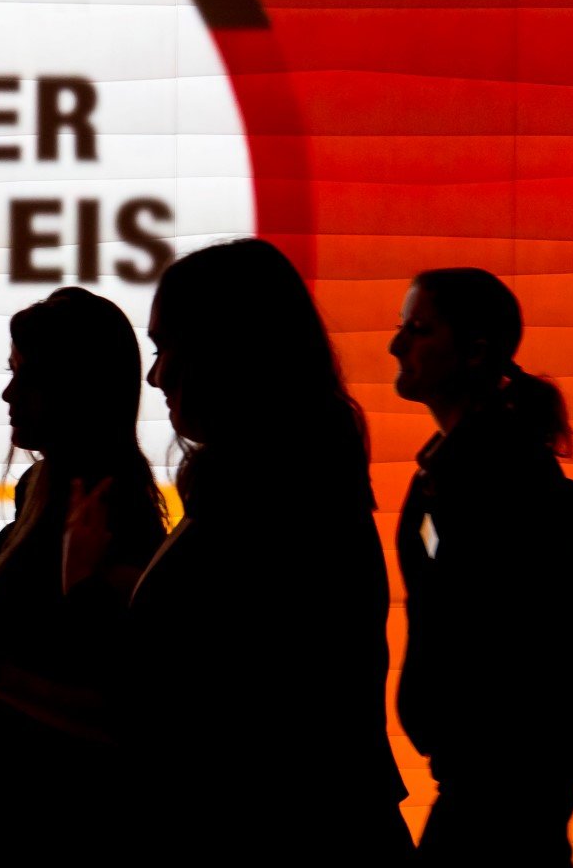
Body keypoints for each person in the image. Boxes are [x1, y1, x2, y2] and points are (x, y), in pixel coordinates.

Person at [132, 238, 411, 865]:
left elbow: (220, 694)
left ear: (225, 353)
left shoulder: (266, 501)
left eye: (166, 349)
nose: (155, 376)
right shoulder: (300, 484)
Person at [0, 287, 167, 867]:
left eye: (25, 377)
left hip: (72, 827)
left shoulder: (112, 512)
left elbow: (124, 706)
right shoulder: (40, 489)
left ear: (75, 389)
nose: (8, 394)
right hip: (17, 814)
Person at [390, 268, 573, 866]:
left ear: (475, 351)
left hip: (500, 774)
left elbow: (492, 629)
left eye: (419, 329)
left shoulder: (488, 474)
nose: (396, 345)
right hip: (502, 769)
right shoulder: (471, 464)